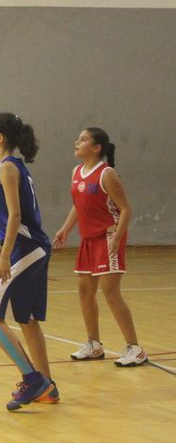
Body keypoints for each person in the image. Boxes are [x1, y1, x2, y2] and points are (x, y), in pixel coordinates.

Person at [0, 112, 58, 410]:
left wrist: (3, 257)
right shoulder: (14, 167)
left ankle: (32, 379)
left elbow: (14, 215)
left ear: (0, 138)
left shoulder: (7, 168)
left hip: (24, 249)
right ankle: (47, 387)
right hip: (35, 247)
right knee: (27, 320)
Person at [53, 128, 147, 367]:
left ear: (96, 148)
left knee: (111, 293)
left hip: (107, 238)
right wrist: (65, 229)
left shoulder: (107, 174)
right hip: (87, 238)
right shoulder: (76, 172)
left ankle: (134, 348)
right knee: (85, 292)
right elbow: (79, 204)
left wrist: (118, 236)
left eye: (83, 139)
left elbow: (126, 209)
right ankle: (94, 345)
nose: (77, 142)